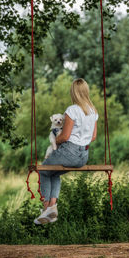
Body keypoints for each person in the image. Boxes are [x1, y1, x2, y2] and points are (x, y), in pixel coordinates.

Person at [34, 78, 98, 224]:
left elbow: (65, 136)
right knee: (53, 173)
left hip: (69, 152)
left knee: (43, 170)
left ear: (73, 92)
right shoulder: (93, 111)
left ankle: (45, 211)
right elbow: (93, 137)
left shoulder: (72, 110)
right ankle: (52, 209)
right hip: (83, 156)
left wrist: (55, 140)